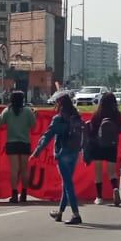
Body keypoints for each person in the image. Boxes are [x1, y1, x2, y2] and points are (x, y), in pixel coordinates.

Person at [33, 93, 85, 224]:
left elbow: (47, 136)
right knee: (66, 184)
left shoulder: (58, 119)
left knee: (68, 185)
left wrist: (37, 151)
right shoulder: (76, 117)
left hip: (63, 153)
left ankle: (76, 214)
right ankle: (60, 213)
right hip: (74, 152)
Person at [0, 90, 36, 203]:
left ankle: (14, 194)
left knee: (14, 169)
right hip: (25, 143)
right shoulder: (28, 111)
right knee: (24, 169)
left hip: (12, 143)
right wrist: (34, 114)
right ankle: (24, 193)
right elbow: (33, 125)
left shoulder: (8, 111)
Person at [87, 91, 121, 205]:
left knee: (98, 172)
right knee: (112, 172)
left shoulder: (97, 114)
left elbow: (92, 131)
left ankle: (99, 197)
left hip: (98, 145)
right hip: (112, 146)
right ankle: (115, 188)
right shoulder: (117, 115)